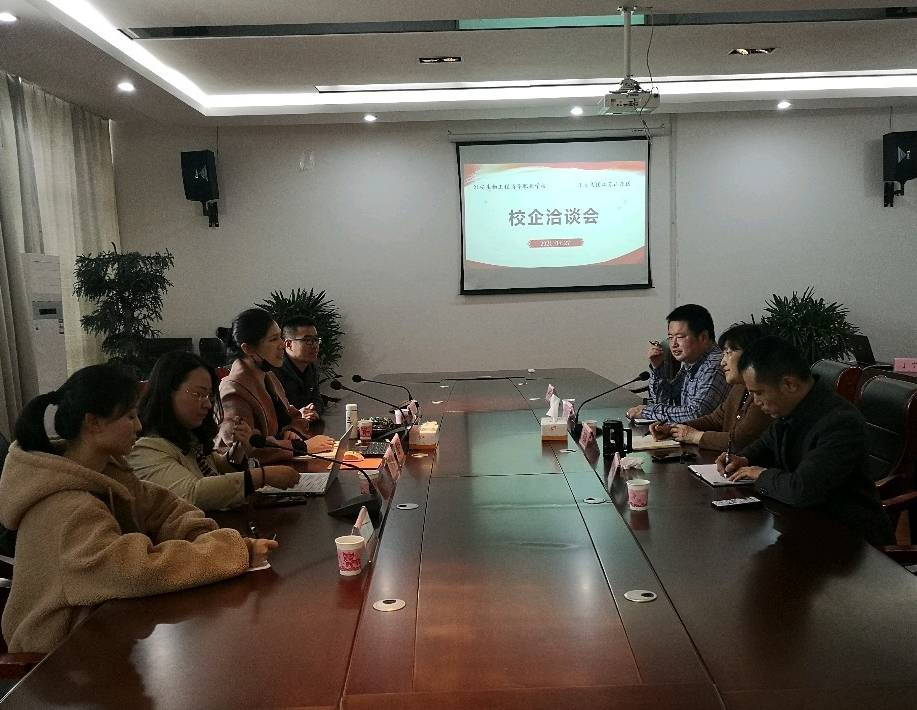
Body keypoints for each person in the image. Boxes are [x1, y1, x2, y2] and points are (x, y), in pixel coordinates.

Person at [0, 364, 278, 654]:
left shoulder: (108, 472)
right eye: (130, 416)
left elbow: (164, 508)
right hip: (60, 659)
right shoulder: (65, 507)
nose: (138, 426)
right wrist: (231, 551)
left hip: (107, 635)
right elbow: (133, 569)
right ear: (94, 423)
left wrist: (202, 535)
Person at [717, 336, 893, 546]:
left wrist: (760, 474)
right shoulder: (794, 407)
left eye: (759, 392)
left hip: (851, 543)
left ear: (789, 384)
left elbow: (801, 490)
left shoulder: (840, 422)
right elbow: (767, 443)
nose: (756, 401)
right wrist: (744, 459)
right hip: (803, 525)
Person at [130, 351, 301, 511]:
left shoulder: (187, 435)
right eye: (199, 394)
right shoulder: (145, 448)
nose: (207, 404)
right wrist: (262, 476)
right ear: (167, 392)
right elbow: (192, 494)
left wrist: (239, 448)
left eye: (210, 397)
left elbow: (215, 467)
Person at [216, 308, 334, 463]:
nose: (282, 345)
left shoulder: (268, 376)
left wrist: (291, 430)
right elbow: (245, 448)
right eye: (273, 339)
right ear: (248, 348)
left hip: (279, 463)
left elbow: (294, 416)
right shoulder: (233, 390)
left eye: (280, 337)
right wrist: (302, 447)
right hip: (251, 474)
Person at [650, 323, 771, 451]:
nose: (722, 362)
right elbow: (714, 420)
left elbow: (740, 441)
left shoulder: (764, 395)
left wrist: (694, 436)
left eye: (728, 353)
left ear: (751, 355)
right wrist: (673, 428)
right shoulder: (739, 388)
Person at [627, 304, 729, 422]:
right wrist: (657, 367)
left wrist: (647, 411)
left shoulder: (715, 365)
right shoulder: (692, 361)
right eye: (670, 337)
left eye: (680, 337)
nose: (674, 344)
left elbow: (696, 414)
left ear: (703, 337)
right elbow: (665, 401)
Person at [275, 316, 324, 420]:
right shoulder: (275, 370)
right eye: (307, 340)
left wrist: (314, 411)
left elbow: (317, 400)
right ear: (288, 344)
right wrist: (297, 415)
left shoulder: (311, 367)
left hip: (306, 424)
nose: (314, 345)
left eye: (316, 340)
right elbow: (273, 412)